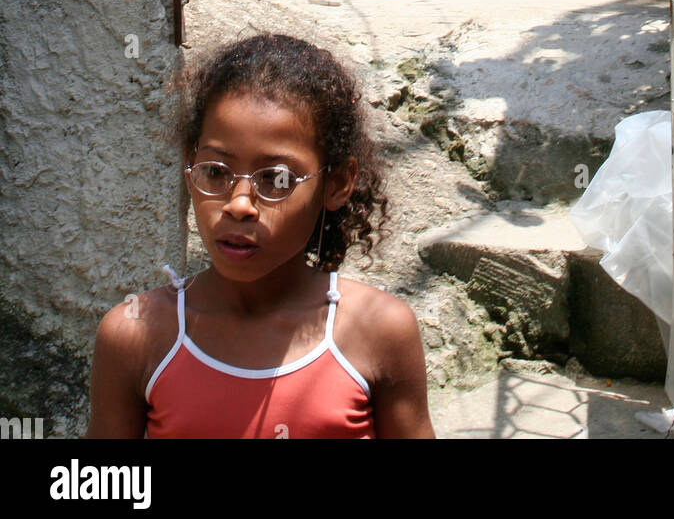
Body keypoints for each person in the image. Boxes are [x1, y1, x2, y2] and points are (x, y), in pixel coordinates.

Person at [86, 33, 435, 439]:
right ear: (189, 167)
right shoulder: (136, 334)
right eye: (215, 171)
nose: (239, 204)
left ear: (337, 183)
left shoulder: (379, 330)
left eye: (276, 179)